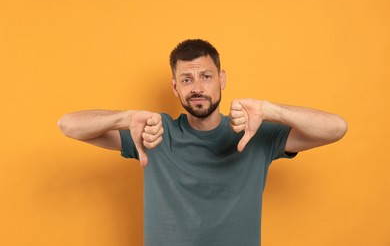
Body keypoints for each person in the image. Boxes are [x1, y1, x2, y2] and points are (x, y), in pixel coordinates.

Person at [58, 39, 348, 246]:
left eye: (206, 76)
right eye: (186, 79)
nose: (197, 87)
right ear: (175, 87)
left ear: (221, 79)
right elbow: (68, 125)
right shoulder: (154, 132)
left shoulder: (256, 133)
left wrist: (272, 111)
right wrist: (125, 118)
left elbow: (336, 128)